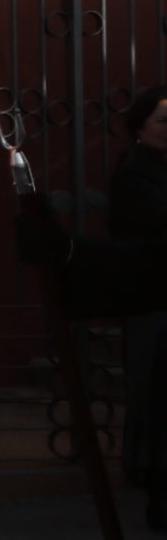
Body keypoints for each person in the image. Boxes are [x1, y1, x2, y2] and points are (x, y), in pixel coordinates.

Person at [110, 86, 167, 483]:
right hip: (151, 294)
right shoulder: (134, 173)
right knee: (151, 380)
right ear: (140, 128)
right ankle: (148, 465)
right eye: (163, 121)